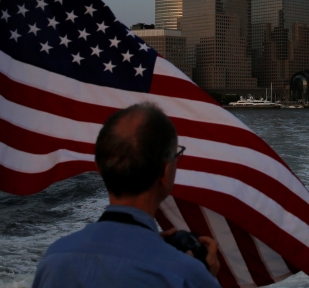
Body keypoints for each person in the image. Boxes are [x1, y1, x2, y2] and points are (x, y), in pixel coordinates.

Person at [32, 103, 220, 287]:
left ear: (100, 169)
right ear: (165, 171)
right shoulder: (186, 276)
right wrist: (206, 278)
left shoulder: (54, 261)